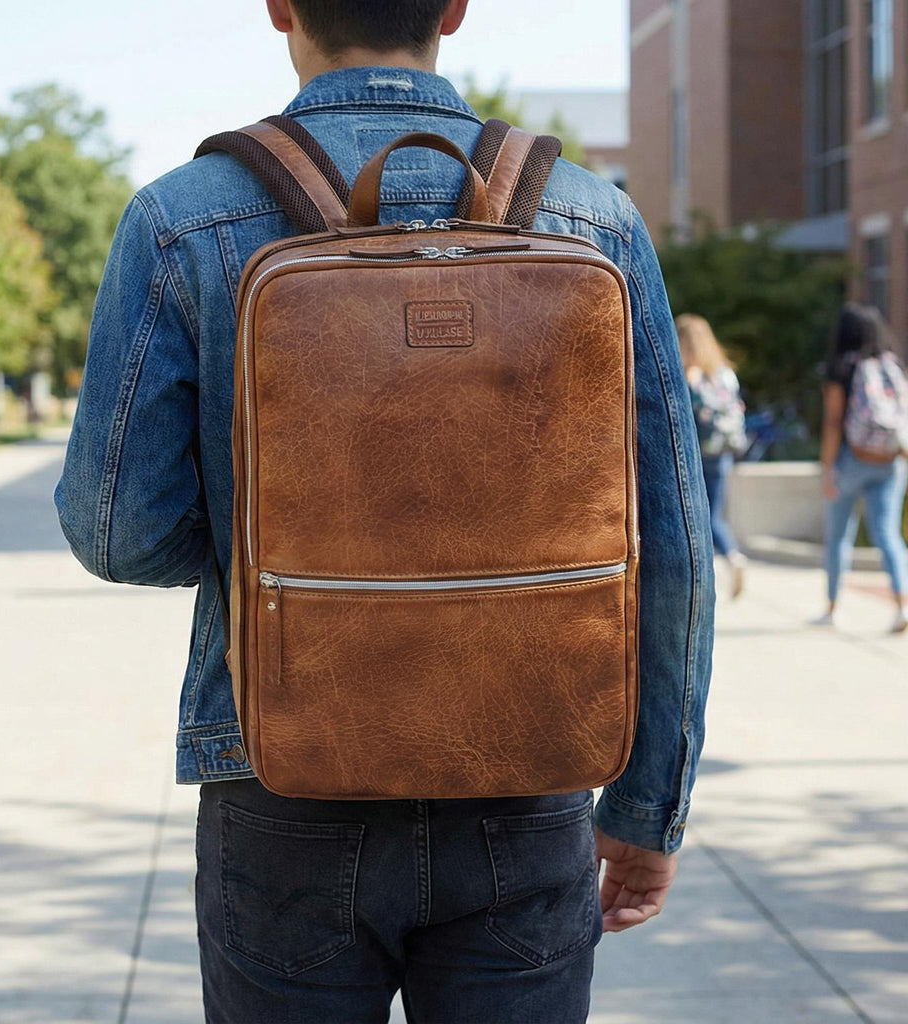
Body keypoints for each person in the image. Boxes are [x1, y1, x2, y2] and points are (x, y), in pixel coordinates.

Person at [54, 2, 715, 1020]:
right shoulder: (594, 219)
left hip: (279, 771)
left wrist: (278, 550)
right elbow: (668, 543)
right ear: (454, 8)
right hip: (529, 764)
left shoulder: (182, 217)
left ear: (279, 6)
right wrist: (647, 806)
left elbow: (118, 532)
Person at [818, 303, 908, 633]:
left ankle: (832, 607)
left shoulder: (843, 366)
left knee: (839, 535)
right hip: (892, 460)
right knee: (888, 535)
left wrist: (828, 469)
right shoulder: (892, 362)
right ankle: (902, 604)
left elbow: (833, 421)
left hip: (852, 460)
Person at [676, 313, 748, 599]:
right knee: (714, 511)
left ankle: (714, 566)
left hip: (695, 453)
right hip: (723, 451)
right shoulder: (725, 374)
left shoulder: (687, 373)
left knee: (698, 516)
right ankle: (733, 556)